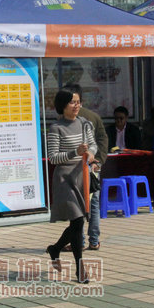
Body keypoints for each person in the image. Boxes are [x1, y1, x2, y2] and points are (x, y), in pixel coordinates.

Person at [46, 88, 97, 284]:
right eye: (72, 102)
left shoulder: (85, 123)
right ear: (63, 105)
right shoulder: (56, 128)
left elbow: (93, 144)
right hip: (64, 179)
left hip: (82, 176)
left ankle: (55, 249)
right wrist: (74, 152)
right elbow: (53, 158)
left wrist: (90, 154)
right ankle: (80, 269)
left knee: (77, 223)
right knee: (77, 220)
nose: (77, 106)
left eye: (78, 102)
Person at [62, 84, 108, 252]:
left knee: (77, 206)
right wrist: (98, 161)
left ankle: (79, 242)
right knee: (93, 204)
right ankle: (94, 241)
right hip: (91, 166)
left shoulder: (68, 119)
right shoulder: (93, 116)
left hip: (76, 168)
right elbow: (103, 140)